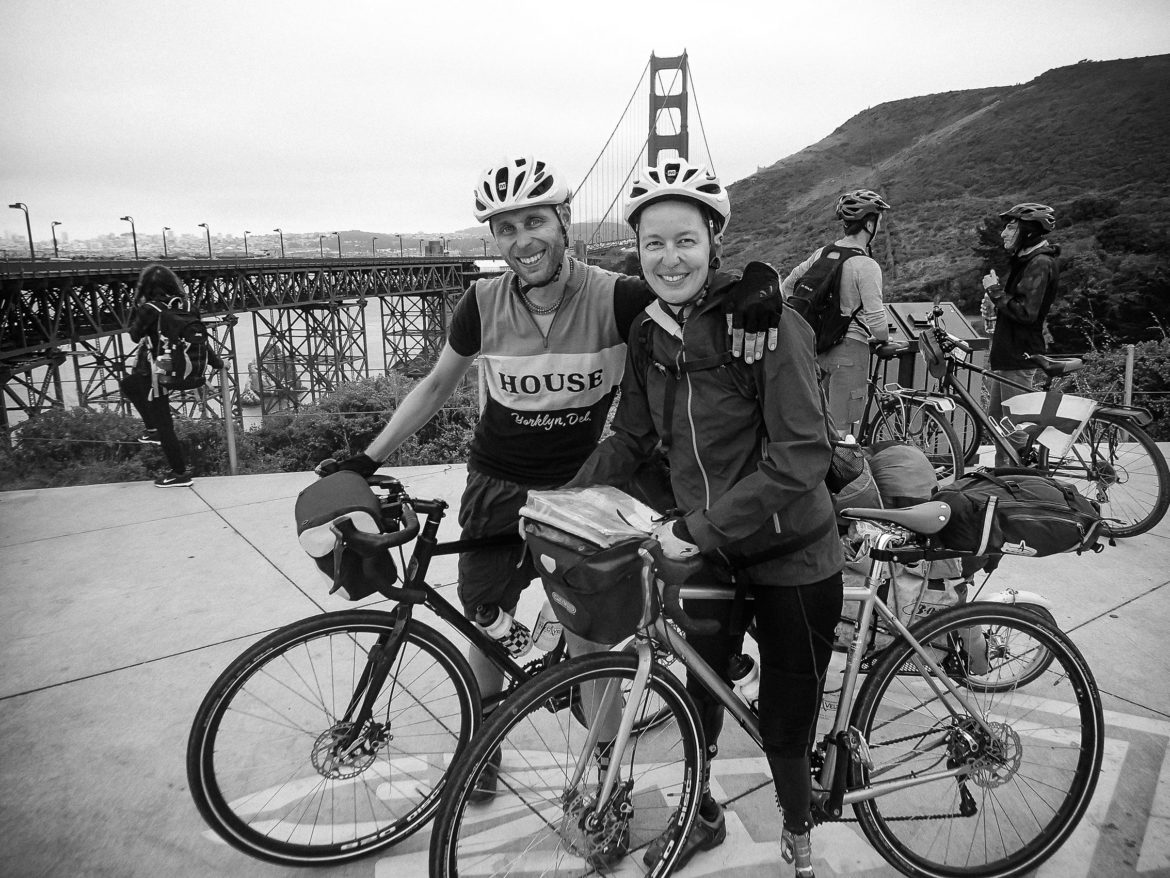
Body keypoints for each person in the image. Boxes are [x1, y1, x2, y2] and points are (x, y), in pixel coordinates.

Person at [325, 155, 784, 788]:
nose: (522, 241)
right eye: (506, 228)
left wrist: (759, 282)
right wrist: (367, 458)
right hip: (496, 480)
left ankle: (607, 782)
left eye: (535, 222)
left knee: (590, 638)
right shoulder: (481, 302)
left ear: (565, 220)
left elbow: (689, 280)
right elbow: (434, 385)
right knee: (485, 618)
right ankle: (483, 750)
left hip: (584, 486)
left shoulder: (616, 296)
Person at [568, 158, 844, 878]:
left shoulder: (768, 325)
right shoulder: (648, 333)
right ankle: (701, 813)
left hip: (792, 555)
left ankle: (799, 831)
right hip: (710, 553)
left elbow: (802, 457)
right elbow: (631, 438)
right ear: (636, 248)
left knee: (785, 726)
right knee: (701, 694)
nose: (670, 258)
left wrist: (694, 529)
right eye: (653, 243)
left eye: (686, 240)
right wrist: (566, 503)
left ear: (714, 241)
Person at [781, 190, 891, 436]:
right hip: (851, 353)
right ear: (869, 224)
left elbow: (788, 286)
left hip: (817, 350)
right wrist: (883, 337)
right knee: (841, 434)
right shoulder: (866, 265)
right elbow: (876, 322)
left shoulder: (823, 254)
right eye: (879, 220)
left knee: (817, 428)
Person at [122, 264, 221, 488]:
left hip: (159, 371)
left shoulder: (148, 309)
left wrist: (137, 307)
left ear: (146, 288)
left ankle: (179, 473)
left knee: (163, 423)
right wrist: (217, 363)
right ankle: (153, 430)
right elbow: (198, 337)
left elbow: (135, 336)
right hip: (187, 369)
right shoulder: (188, 306)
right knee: (129, 384)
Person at [980, 203, 1060, 464]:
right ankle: (1004, 474)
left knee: (1013, 423)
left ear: (1028, 230)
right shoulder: (1026, 261)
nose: (1003, 233)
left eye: (1011, 227)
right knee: (996, 420)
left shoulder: (1040, 263)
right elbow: (1016, 307)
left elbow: (1026, 312)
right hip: (1009, 353)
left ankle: (1032, 470)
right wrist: (994, 304)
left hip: (1020, 354)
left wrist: (995, 292)